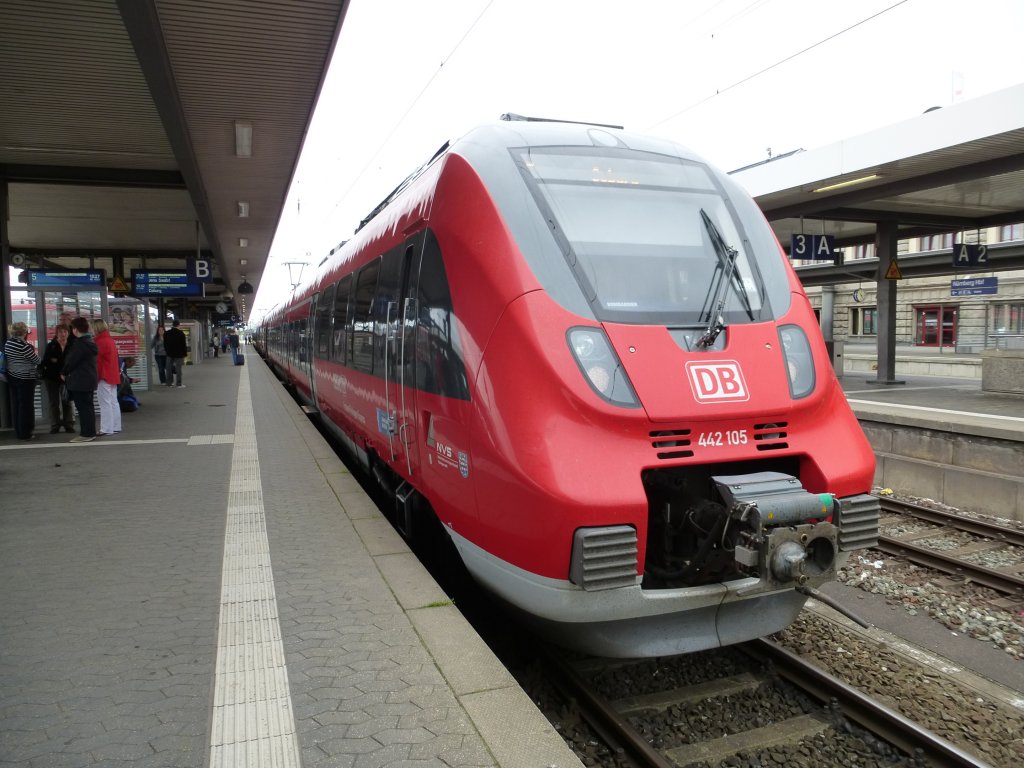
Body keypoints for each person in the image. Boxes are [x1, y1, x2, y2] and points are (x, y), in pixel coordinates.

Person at [61, 317, 99, 443]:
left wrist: (64, 372)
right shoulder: (90, 342)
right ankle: (90, 432)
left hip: (80, 380)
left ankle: (86, 434)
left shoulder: (80, 344)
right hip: (88, 379)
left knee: (83, 408)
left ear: (75, 330)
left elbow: (71, 361)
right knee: (87, 407)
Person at [4, 321, 42, 440]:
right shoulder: (23, 346)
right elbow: (37, 360)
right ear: (24, 332)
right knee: (26, 406)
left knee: (17, 405)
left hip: (12, 376)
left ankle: (19, 431)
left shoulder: (8, 343)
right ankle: (26, 433)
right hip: (25, 378)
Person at [41, 323, 75, 434]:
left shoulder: (72, 345)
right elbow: (46, 361)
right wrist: (54, 361)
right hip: (52, 378)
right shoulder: (51, 346)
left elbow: (73, 362)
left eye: (65, 332)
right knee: (54, 402)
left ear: (68, 333)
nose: (63, 334)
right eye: (60, 332)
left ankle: (68, 424)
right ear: (56, 333)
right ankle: (55, 425)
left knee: (67, 401)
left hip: (67, 378)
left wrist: (55, 361)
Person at [92, 319, 121, 436]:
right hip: (113, 375)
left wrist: (96, 377)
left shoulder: (99, 342)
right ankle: (116, 426)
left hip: (104, 376)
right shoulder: (110, 340)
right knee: (114, 402)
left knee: (105, 403)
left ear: (96, 328)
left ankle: (106, 428)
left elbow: (97, 362)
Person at [163, 319, 188, 387]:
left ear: (172, 325)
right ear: (178, 325)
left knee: (169, 368)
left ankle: (169, 383)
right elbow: (183, 345)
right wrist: (185, 354)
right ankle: (178, 384)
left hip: (169, 353)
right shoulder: (181, 333)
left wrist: (167, 351)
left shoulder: (167, 333)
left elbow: (164, 344)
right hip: (179, 354)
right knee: (178, 368)